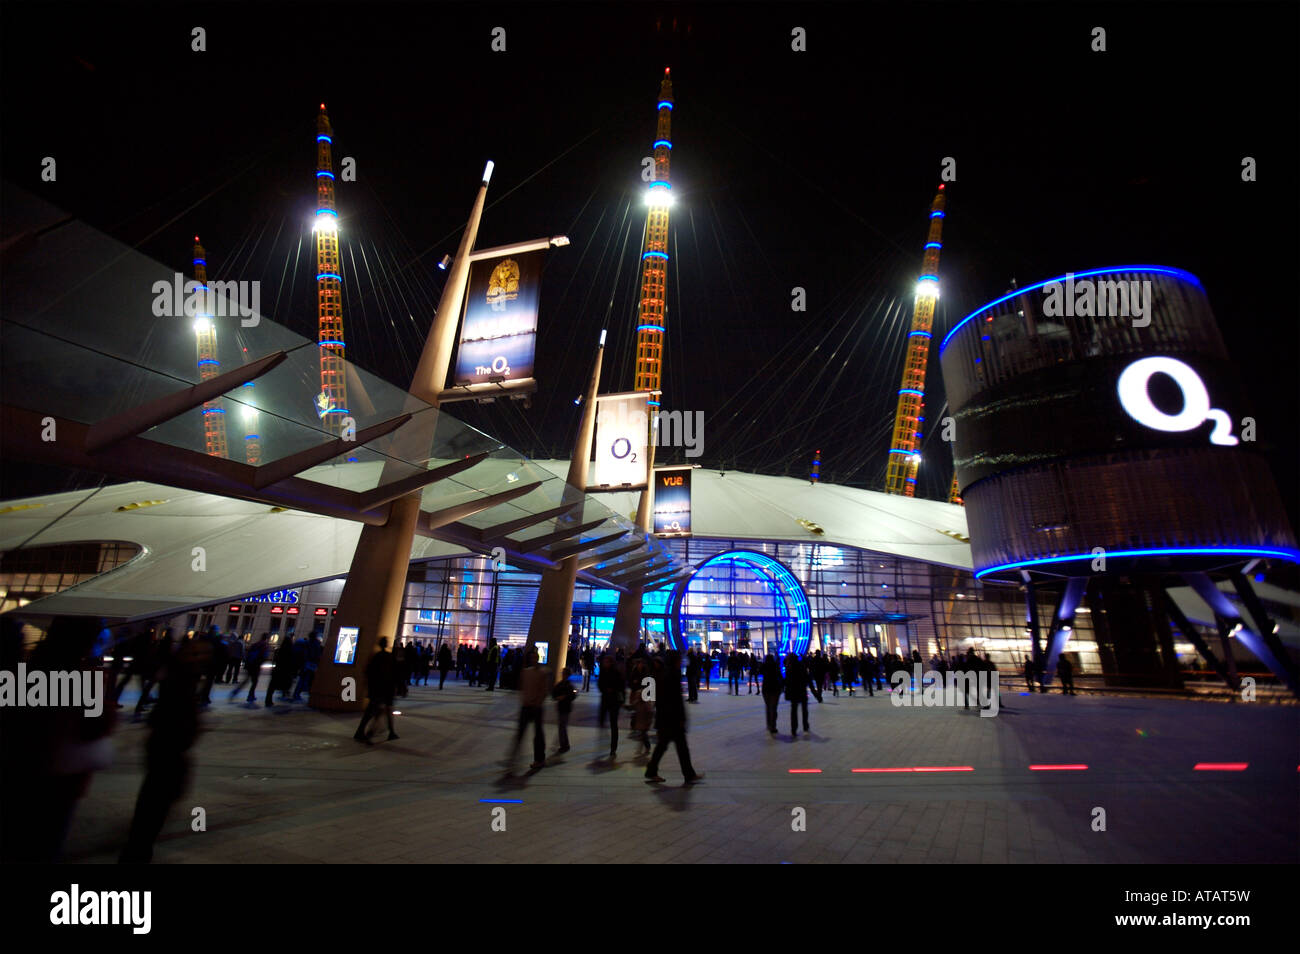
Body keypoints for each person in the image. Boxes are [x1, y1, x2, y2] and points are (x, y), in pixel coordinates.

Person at [644, 650, 702, 784]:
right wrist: (681, 718)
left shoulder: (665, 674)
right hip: (672, 719)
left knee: (669, 746)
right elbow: (675, 700)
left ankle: (653, 771)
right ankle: (687, 774)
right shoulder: (672, 675)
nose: (681, 661)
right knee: (677, 747)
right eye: (679, 659)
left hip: (666, 718)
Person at [507, 648, 548, 773]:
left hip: (536, 707)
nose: (534, 659)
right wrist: (524, 699)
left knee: (538, 734)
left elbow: (544, 690)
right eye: (532, 657)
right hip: (527, 706)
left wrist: (538, 702)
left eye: (536, 657)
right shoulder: (525, 672)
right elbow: (522, 687)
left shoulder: (542, 673)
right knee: (521, 733)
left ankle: (539, 759)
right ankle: (513, 758)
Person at [355, 637, 398, 744]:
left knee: (374, 711)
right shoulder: (388, 657)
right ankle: (368, 732)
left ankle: (390, 732)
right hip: (385, 688)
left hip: (377, 688)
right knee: (381, 710)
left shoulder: (376, 656)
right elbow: (393, 673)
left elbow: (368, 671)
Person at [596, 651, 625, 761]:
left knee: (613, 724)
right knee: (604, 722)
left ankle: (613, 747)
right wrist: (604, 689)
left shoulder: (616, 673)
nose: (605, 663)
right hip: (605, 700)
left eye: (607, 662)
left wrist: (613, 691)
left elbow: (621, 687)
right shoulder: (603, 672)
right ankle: (606, 742)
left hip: (613, 702)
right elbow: (600, 684)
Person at [228, 634, 270, 703]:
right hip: (255, 666)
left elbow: (248, 653)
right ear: (266, 638)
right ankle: (250, 695)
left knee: (247, 680)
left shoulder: (255, 644)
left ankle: (236, 692)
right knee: (254, 682)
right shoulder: (264, 645)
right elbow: (264, 656)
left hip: (250, 665)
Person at [265, 633, 298, 707]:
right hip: (286, 670)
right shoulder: (291, 651)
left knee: (272, 686)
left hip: (278, 670)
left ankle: (268, 700)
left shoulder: (279, 650)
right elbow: (292, 661)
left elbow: (275, 660)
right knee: (286, 684)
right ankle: (285, 694)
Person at [784, 653, 811, 737]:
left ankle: (794, 729)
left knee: (794, 711)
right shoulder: (801, 666)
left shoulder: (789, 668)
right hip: (802, 690)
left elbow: (787, 681)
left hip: (793, 692)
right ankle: (805, 727)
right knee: (804, 710)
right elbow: (807, 677)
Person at [551, 667, 577, 753]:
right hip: (562, 707)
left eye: (564, 673)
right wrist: (558, 697)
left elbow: (573, 695)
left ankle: (564, 745)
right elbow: (554, 694)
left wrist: (563, 697)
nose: (563, 675)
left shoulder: (568, 685)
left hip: (565, 708)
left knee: (562, 727)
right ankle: (565, 744)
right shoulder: (561, 684)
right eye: (562, 673)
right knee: (562, 727)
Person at [760, 653, 784, 734]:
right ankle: (773, 725)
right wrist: (783, 686)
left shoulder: (764, 666)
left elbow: (760, 672)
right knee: (773, 708)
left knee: (768, 707)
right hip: (775, 688)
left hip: (766, 689)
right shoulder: (775, 666)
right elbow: (780, 676)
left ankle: (769, 724)